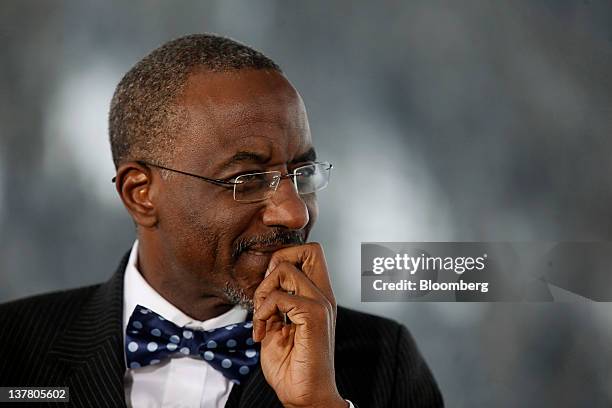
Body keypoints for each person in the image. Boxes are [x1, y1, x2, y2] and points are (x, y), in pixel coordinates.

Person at [0, 34, 443, 408]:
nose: (295, 211)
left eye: (302, 174)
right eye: (247, 180)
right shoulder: (14, 347)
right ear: (141, 193)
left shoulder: (385, 362)